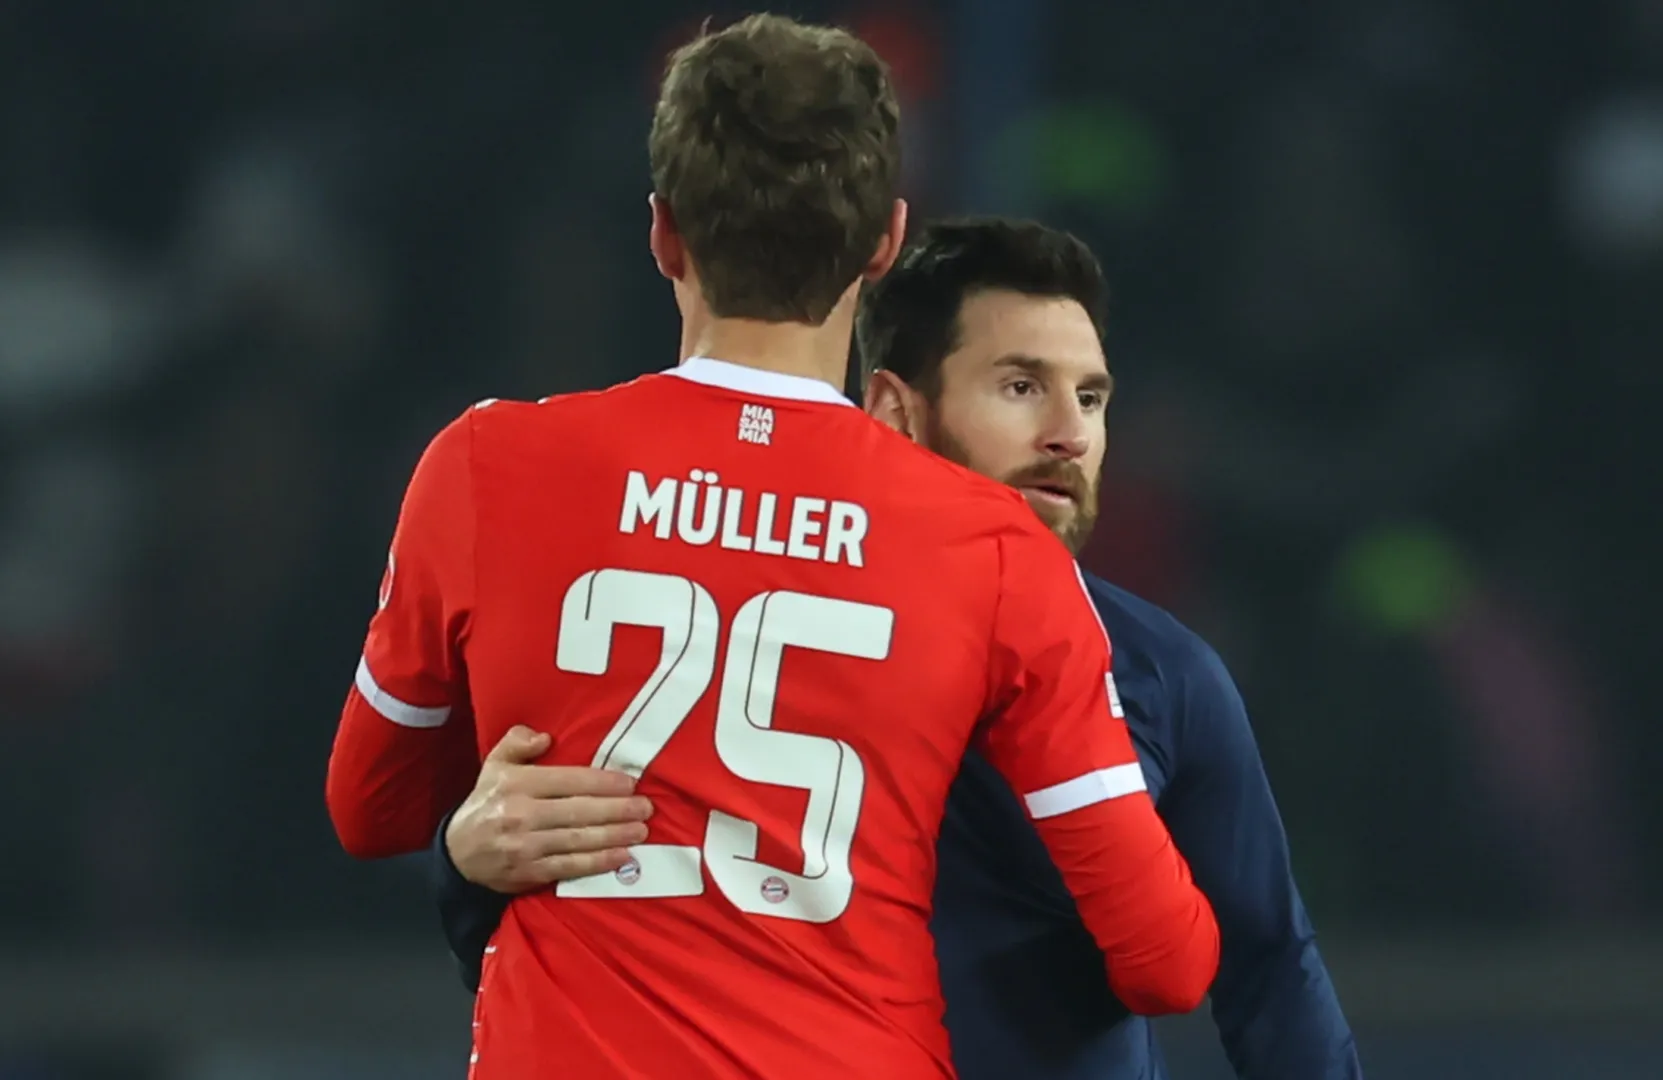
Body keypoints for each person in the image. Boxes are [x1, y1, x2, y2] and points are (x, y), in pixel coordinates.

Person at [324, 17, 1219, 1080]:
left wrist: (474, 836)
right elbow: (1166, 960)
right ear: (885, 244)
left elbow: (370, 806)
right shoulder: (992, 548)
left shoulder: (485, 466)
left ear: (664, 233)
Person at [434, 218, 1363, 1079]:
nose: (1069, 434)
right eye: (1020, 387)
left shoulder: (1166, 675)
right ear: (892, 411)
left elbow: (1271, 969)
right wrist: (469, 859)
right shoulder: (748, 638)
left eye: (1091, 396)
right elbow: (587, 920)